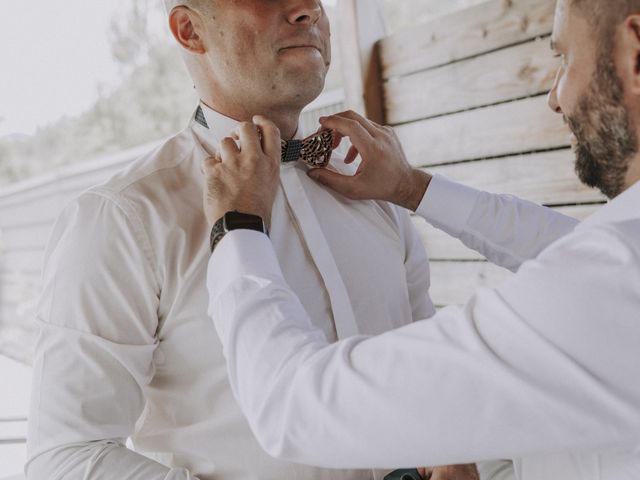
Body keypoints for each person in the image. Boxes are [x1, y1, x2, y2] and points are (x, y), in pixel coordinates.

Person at [25, 1, 479, 479]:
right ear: (189, 29)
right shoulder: (121, 220)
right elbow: (64, 458)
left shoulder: (375, 185)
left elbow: (423, 358)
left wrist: (449, 443)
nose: (309, 8)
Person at [203, 0, 640, 479]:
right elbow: (567, 245)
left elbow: (291, 406)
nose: (556, 97)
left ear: (635, 53)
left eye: (563, 58)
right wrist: (410, 187)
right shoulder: (616, 262)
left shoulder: (608, 286)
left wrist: (238, 230)